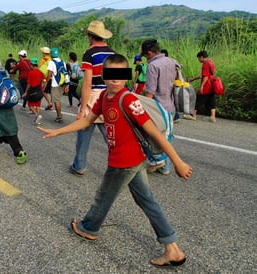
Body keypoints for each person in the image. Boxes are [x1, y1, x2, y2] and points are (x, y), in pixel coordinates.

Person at [37, 54, 192, 268]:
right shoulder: (103, 97)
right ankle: (172, 248)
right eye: (111, 75)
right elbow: (87, 121)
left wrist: (177, 161)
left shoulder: (128, 99)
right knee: (146, 201)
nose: (115, 80)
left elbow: (154, 132)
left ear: (126, 76)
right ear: (104, 75)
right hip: (132, 161)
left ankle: (88, 228)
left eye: (120, 75)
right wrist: (58, 132)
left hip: (124, 162)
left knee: (103, 198)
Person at [70, 20, 116, 176]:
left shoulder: (89, 54)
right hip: (110, 98)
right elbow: (118, 81)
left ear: (90, 36)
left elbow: (87, 83)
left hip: (93, 98)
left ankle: (79, 165)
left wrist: (82, 108)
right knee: (111, 138)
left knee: (83, 135)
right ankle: (120, 166)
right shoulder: (114, 53)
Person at [141, 39, 179, 175]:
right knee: (165, 136)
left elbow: (150, 91)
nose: (146, 58)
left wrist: (143, 109)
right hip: (171, 105)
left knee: (151, 136)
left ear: (150, 53)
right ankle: (164, 167)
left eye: (146, 55)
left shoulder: (153, 66)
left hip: (158, 108)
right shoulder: (172, 61)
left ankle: (157, 161)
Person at [187, 50, 217, 122]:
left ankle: (193, 115)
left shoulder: (205, 64)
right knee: (211, 100)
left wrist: (202, 86)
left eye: (198, 58)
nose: (199, 60)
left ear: (201, 57)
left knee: (198, 99)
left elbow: (205, 76)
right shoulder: (211, 62)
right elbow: (203, 75)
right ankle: (213, 117)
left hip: (206, 85)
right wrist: (193, 79)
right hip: (212, 85)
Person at [46, 47, 69, 123]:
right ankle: (59, 115)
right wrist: (67, 85)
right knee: (58, 99)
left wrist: (46, 82)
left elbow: (49, 74)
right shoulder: (63, 61)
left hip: (55, 84)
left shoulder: (51, 62)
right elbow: (66, 73)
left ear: (51, 55)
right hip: (62, 83)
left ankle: (59, 116)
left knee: (57, 101)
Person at [23, 57, 45, 125]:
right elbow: (44, 80)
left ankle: (37, 115)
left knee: (30, 105)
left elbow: (29, 84)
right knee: (38, 105)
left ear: (32, 65)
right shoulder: (40, 72)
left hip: (32, 90)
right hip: (39, 90)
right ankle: (38, 119)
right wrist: (43, 87)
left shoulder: (31, 73)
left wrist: (26, 92)